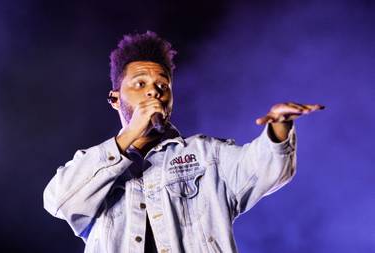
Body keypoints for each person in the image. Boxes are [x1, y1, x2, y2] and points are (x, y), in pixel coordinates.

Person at [43, 31, 324, 253]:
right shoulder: (91, 168)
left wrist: (279, 126)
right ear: (115, 99)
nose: (153, 91)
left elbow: (266, 169)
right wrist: (129, 135)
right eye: (139, 84)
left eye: (162, 85)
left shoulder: (206, 154)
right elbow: (59, 201)